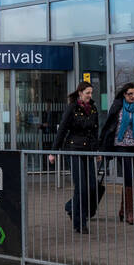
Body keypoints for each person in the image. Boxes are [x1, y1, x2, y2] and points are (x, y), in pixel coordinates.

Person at [49, 81, 100, 234]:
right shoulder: (72, 108)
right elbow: (62, 129)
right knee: (81, 187)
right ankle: (80, 222)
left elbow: (95, 131)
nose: (90, 96)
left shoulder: (93, 109)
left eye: (91, 93)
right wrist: (54, 151)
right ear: (80, 93)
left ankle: (71, 207)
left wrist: (97, 151)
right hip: (74, 150)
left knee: (91, 186)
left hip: (88, 151)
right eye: (87, 93)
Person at [99, 83, 134, 225]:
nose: (133, 96)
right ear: (124, 94)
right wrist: (102, 147)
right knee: (128, 174)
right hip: (120, 146)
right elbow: (108, 126)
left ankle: (123, 210)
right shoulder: (117, 106)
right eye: (130, 94)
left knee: (130, 177)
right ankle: (130, 213)